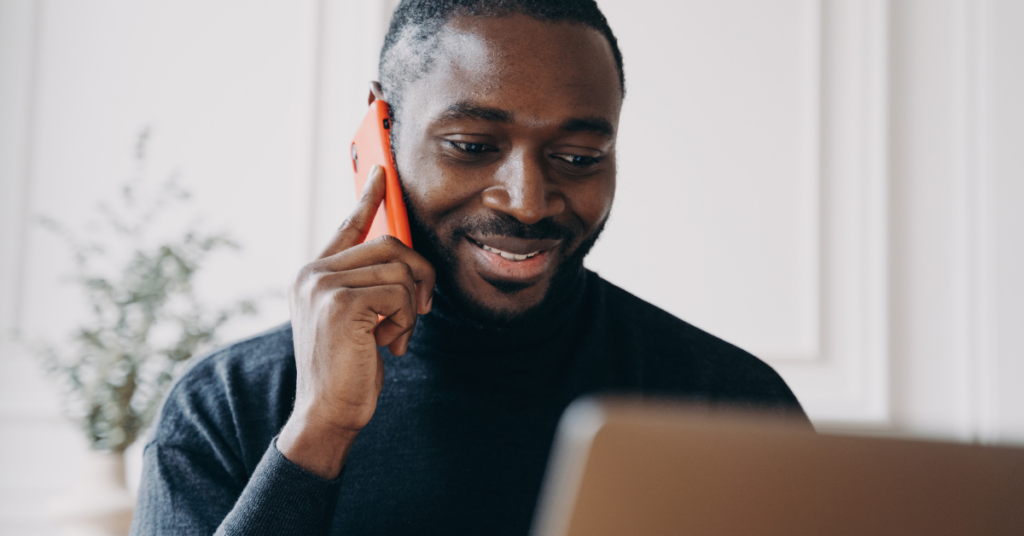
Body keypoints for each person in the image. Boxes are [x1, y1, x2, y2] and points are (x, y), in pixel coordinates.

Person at [131, 1, 807, 534]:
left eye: (578, 158)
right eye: (473, 145)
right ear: (381, 134)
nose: (528, 201)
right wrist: (319, 431)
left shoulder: (730, 403)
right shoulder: (226, 408)